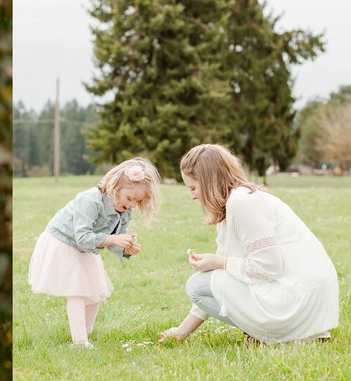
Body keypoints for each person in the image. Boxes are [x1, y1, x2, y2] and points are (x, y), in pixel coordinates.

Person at [158, 144, 338, 344]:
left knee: (196, 284)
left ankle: (277, 334)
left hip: (299, 298)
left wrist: (221, 262)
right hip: (296, 293)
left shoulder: (243, 202)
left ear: (209, 182)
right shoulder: (232, 204)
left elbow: (269, 267)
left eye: (193, 188)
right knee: (202, 282)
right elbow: (217, 283)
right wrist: (181, 332)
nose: (192, 195)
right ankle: (267, 332)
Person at [28, 158, 162, 348]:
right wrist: (113, 239)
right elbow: (82, 236)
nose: (132, 204)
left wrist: (125, 248)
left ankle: (86, 333)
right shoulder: (90, 200)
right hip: (64, 242)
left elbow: (115, 239)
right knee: (77, 291)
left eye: (137, 201)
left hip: (88, 247)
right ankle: (80, 342)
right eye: (129, 198)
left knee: (95, 292)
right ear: (115, 187)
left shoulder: (125, 211)